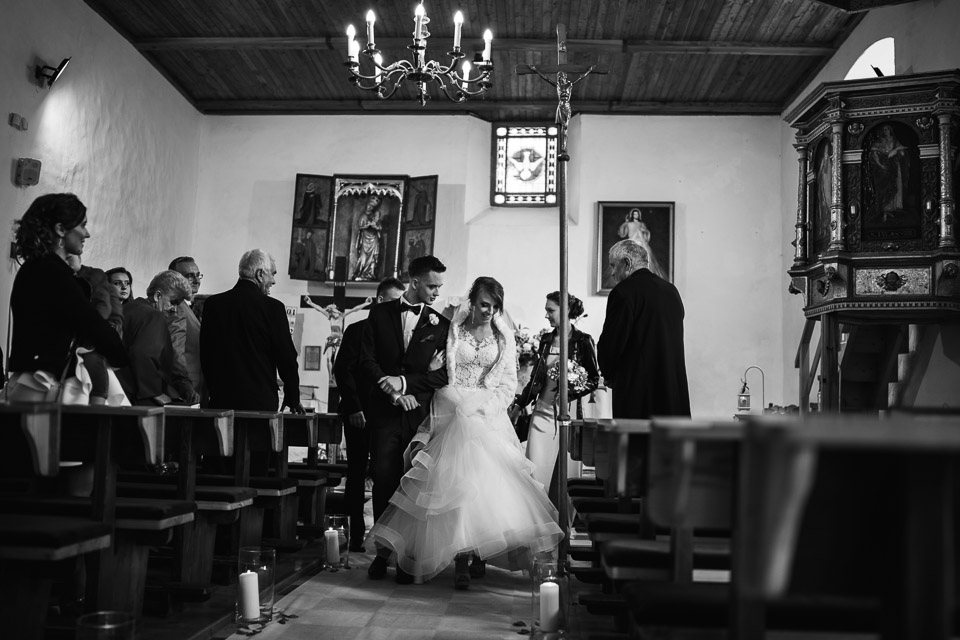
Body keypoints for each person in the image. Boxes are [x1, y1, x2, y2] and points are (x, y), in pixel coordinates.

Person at [368, 277, 564, 589]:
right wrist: (444, 388)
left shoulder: (503, 336)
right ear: (471, 302)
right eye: (484, 304)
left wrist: (486, 408)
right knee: (444, 486)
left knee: (482, 485)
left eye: (495, 306)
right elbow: (442, 372)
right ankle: (418, 553)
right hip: (450, 407)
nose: (489, 311)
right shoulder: (452, 329)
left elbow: (508, 384)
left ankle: (472, 555)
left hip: (485, 414)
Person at [359, 255, 451, 583]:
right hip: (385, 414)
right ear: (414, 282)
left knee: (411, 486)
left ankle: (406, 556)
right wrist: (394, 393)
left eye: (439, 286)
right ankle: (381, 552)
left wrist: (405, 384)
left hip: (418, 418)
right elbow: (366, 360)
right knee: (383, 480)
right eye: (432, 286)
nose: (437, 292)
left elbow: (443, 376)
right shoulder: (380, 313)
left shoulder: (441, 324)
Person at [4, 194, 127, 403]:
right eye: (82, 225)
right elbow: (88, 321)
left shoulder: (38, 268)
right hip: (45, 378)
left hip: (39, 372)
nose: (87, 234)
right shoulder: (51, 271)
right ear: (61, 229)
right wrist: (117, 354)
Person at [333, 277, 406, 552]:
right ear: (379, 301)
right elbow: (344, 370)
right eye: (393, 301)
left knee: (384, 475)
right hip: (359, 412)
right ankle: (354, 535)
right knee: (356, 472)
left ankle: (383, 538)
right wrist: (353, 406)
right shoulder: (358, 329)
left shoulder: (398, 336)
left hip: (387, 416)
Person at [511, 291, 600, 502]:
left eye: (550, 310)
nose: (546, 315)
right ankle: (539, 519)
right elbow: (535, 378)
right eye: (546, 311)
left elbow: (594, 379)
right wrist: (519, 405)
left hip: (568, 416)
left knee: (566, 477)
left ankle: (563, 520)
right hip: (541, 413)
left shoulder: (583, 341)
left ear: (566, 310)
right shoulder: (546, 340)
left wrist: (570, 392)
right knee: (535, 474)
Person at [200, 249, 304, 413]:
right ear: (260, 274)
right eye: (272, 274)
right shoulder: (273, 308)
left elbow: (206, 355)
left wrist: (214, 391)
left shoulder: (213, 304)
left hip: (221, 402)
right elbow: (286, 357)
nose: (273, 281)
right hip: (259, 404)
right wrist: (293, 397)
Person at [597, 240, 690, 419]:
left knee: (637, 437)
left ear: (627, 263)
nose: (613, 273)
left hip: (639, 394)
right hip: (672, 390)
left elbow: (612, 342)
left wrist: (608, 372)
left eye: (613, 266)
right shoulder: (671, 291)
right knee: (668, 437)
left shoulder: (624, 292)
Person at [116, 270, 198, 406]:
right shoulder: (153, 316)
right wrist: (154, 392)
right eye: (173, 302)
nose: (174, 309)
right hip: (138, 398)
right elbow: (143, 355)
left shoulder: (128, 308)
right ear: (158, 295)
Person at [168, 256, 205, 401]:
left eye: (198, 275)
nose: (196, 280)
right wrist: (185, 387)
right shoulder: (175, 307)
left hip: (193, 389)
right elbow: (175, 351)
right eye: (190, 276)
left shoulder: (185, 305)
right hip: (183, 391)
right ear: (174, 278)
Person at [617, 208, 666, 279]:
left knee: (644, 259)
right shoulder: (629, 224)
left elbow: (646, 233)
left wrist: (643, 231)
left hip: (640, 242)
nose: (635, 215)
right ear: (632, 215)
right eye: (634, 214)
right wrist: (626, 222)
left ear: (639, 215)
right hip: (632, 241)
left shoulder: (642, 224)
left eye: (637, 214)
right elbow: (622, 233)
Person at [352, 194, 384, 280]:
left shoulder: (375, 216)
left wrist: (376, 226)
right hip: (365, 239)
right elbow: (360, 226)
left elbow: (379, 227)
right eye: (369, 206)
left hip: (373, 239)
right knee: (363, 256)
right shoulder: (363, 216)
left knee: (373, 257)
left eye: (371, 207)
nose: (370, 208)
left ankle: (370, 273)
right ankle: (360, 273)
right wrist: (367, 225)